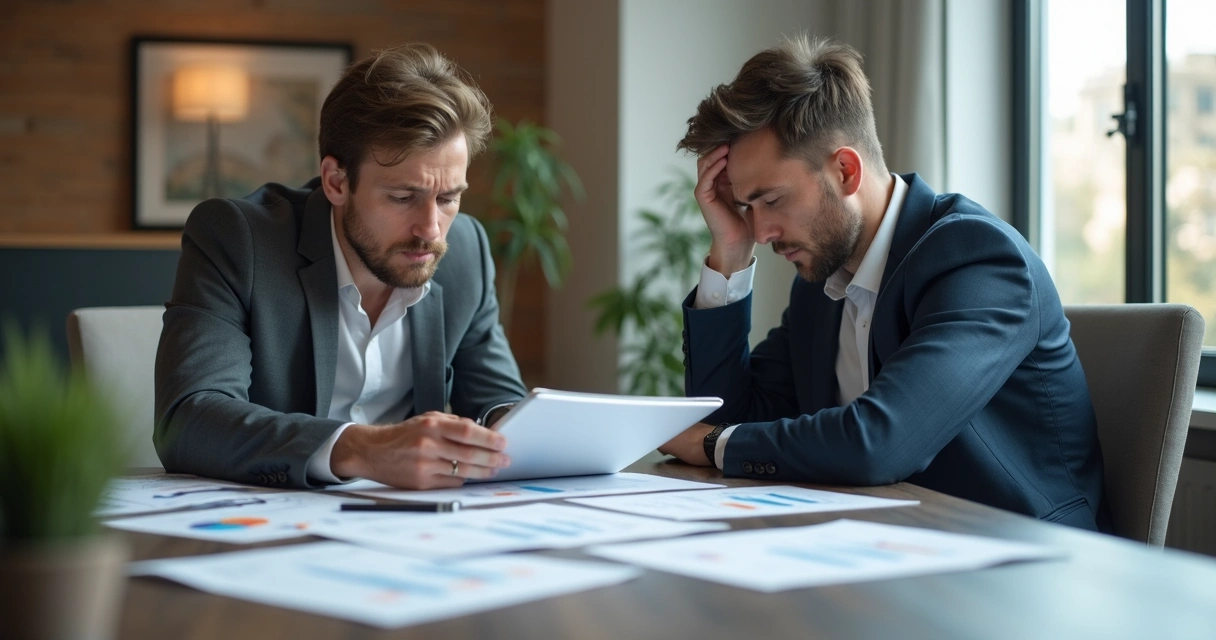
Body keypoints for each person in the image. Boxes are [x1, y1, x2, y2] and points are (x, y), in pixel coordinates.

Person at [658, 36, 1110, 531]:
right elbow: (729, 415)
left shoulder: (978, 261)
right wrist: (729, 254)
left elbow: (880, 442)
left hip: (1020, 561)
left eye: (772, 200)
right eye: (747, 207)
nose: (761, 231)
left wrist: (712, 445)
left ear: (845, 170)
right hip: (886, 546)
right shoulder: (819, 281)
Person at [154, 44, 524, 491]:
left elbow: (498, 402)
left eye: (448, 198)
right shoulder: (240, 239)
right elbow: (189, 417)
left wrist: (521, 426)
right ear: (336, 182)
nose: (431, 229)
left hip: (417, 529)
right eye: (403, 197)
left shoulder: (465, 249)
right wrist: (364, 450)